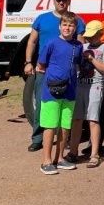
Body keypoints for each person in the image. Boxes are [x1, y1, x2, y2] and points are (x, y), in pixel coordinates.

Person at [24, 0, 86, 152]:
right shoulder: (42, 19)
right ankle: (38, 138)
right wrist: (28, 62)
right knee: (43, 103)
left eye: (64, 0)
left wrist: (78, 67)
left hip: (66, 70)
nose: (61, 2)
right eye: (59, 0)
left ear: (68, 2)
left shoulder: (77, 21)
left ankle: (62, 140)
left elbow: (80, 45)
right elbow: (32, 42)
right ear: (54, 1)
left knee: (64, 105)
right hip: (44, 69)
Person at [36, 11, 83, 174]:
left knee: (65, 126)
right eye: (64, 24)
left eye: (71, 25)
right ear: (59, 26)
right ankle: (46, 161)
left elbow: (77, 64)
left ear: (75, 27)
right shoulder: (51, 43)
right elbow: (41, 65)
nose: (67, 28)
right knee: (50, 125)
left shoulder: (78, 46)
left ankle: (60, 158)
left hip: (70, 90)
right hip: (52, 91)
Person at [66, 20, 104, 167]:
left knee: (93, 120)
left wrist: (91, 59)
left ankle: (94, 154)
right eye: (88, 36)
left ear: (100, 34)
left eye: (93, 36)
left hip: (96, 86)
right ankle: (73, 152)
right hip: (80, 86)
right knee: (77, 119)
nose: (89, 39)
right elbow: (75, 63)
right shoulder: (82, 46)